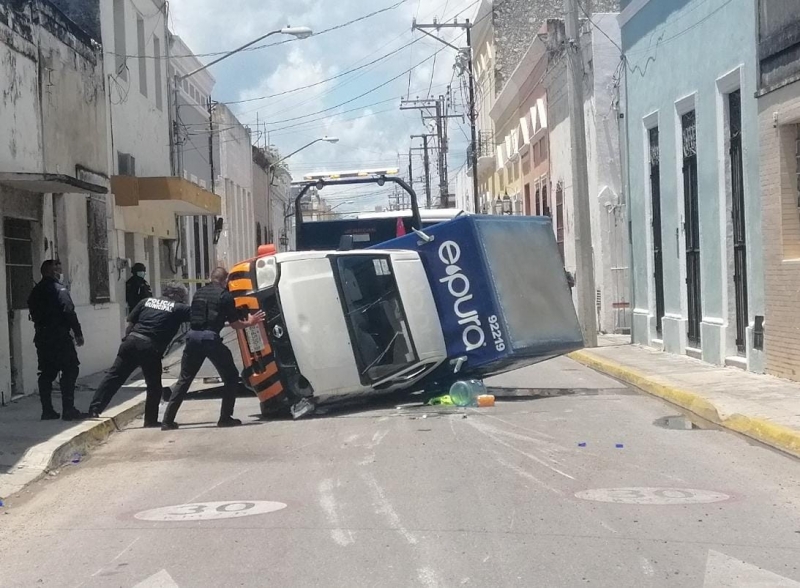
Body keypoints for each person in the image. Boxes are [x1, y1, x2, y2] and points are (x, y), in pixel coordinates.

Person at [161, 267, 265, 430]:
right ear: (226, 280)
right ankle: (225, 418)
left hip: (193, 337)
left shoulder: (199, 293)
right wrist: (251, 322)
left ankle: (167, 421)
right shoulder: (225, 296)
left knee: (185, 379)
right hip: (210, 339)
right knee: (231, 377)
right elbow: (235, 324)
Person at [87, 283, 191, 428]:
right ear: (177, 295)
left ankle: (94, 410)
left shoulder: (145, 301)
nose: (184, 299)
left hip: (130, 342)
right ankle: (150, 420)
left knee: (113, 377)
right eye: (183, 296)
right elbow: (199, 317)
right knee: (154, 386)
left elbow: (130, 324)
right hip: (149, 347)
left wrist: (127, 340)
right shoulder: (178, 308)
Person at [27, 260, 86, 421]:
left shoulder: (35, 291)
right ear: (52, 271)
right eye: (57, 269)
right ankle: (68, 409)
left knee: (47, 373)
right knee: (70, 369)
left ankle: (47, 410)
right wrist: (78, 333)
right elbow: (68, 311)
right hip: (59, 337)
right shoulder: (60, 289)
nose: (59, 272)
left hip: (42, 337)